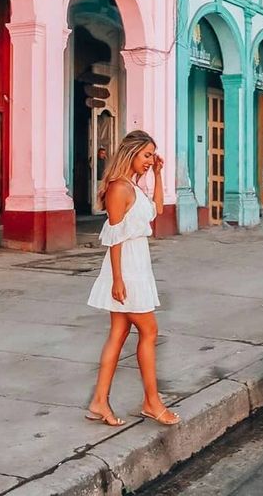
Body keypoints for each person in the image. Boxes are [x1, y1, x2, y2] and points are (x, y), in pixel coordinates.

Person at [86, 130, 179, 427]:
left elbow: (158, 209)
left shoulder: (134, 186)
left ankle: (99, 401)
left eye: (152, 156)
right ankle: (152, 402)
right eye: (147, 155)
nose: (151, 161)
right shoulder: (118, 188)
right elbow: (114, 238)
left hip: (138, 262)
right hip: (126, 266)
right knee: (149, 331)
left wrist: (159, 175)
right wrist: (117, 279)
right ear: (131, 153)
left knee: (119, 333)